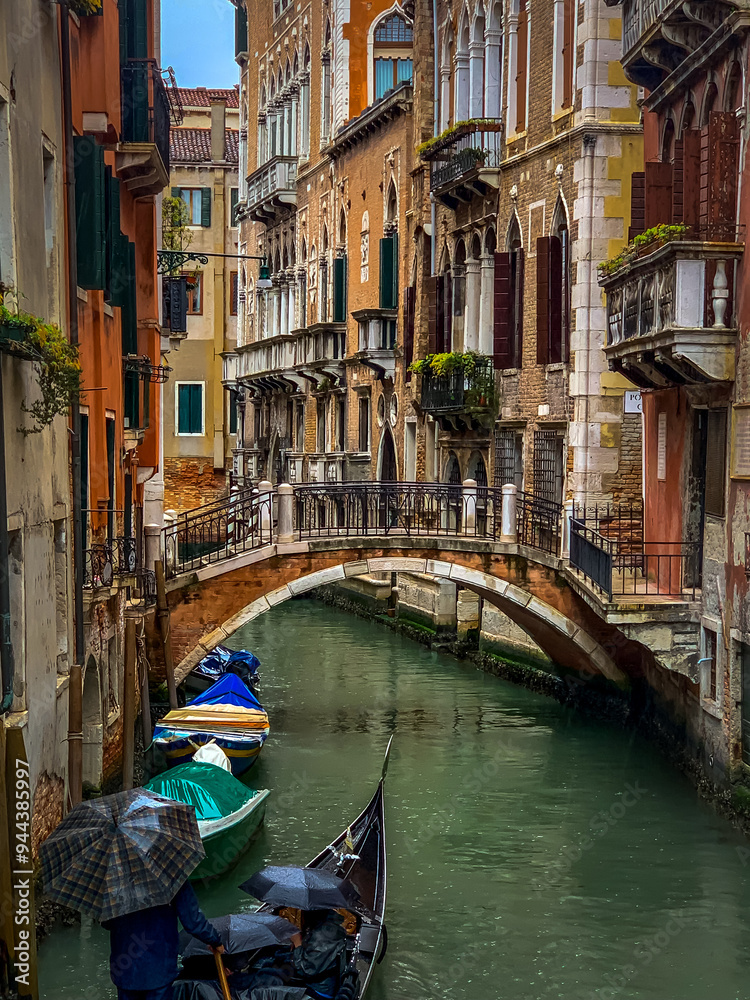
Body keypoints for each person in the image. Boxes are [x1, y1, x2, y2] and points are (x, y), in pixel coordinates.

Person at [102, 880, 224, 1000]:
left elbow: (106, 923)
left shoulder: (113, 880)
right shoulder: (171, 875)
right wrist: (214, 940)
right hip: (159, 967)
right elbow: (192, 921)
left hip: (125, 968)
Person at [292, 909, 347, 999]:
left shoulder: (320, 936)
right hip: (327, 985)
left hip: (318, 991)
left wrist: (297, 942)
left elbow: (305, 970)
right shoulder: (331, 927)